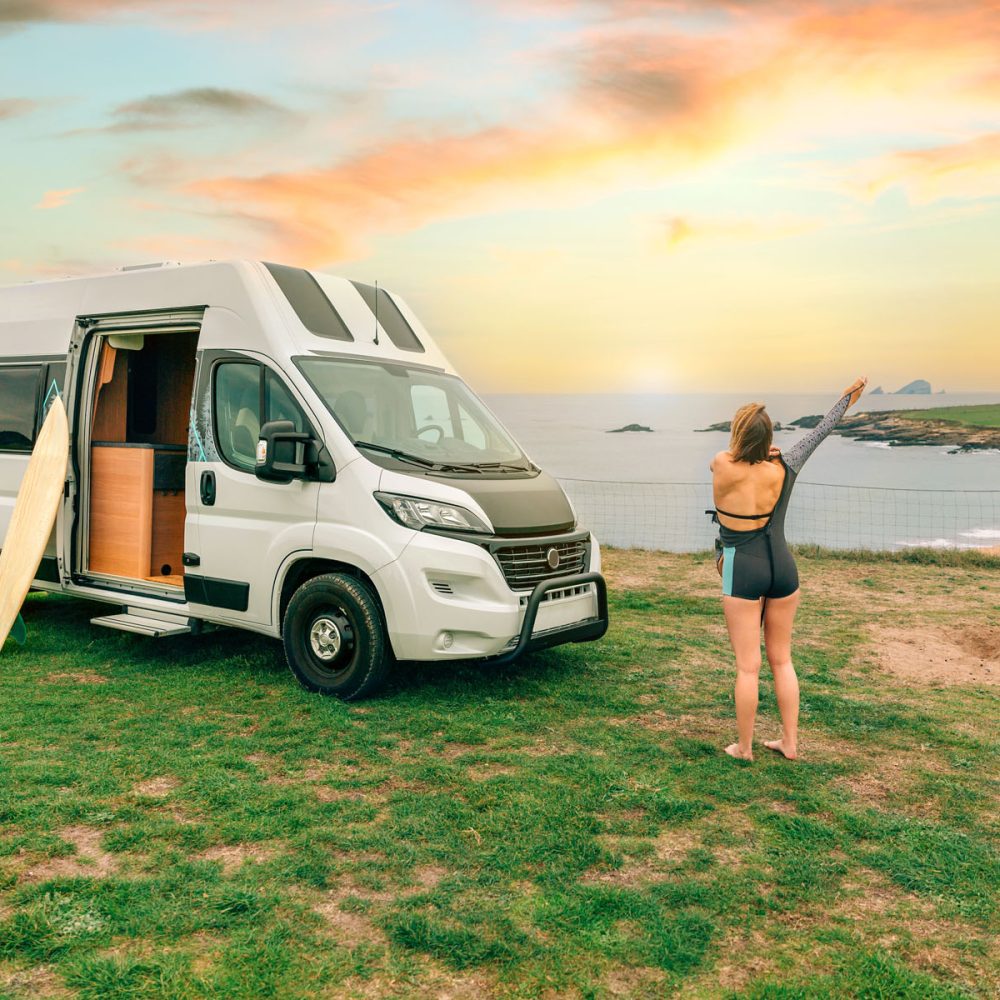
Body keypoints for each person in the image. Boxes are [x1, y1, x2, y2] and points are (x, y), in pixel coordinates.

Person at [708, 377, 867, 761]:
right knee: (782, 659)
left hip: (741, 567)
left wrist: (756, 449)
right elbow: (821, 432)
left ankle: (744, 748)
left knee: (748, 667)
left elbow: (733, 455)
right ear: (769, 438)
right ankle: (790, 743)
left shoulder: (722, 464)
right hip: (784, 567)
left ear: (738, 433)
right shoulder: (784, 465)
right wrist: (847, 398)